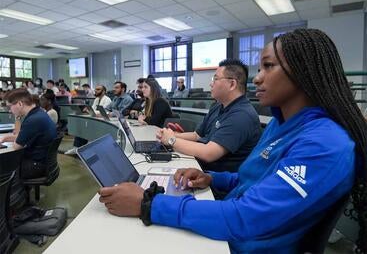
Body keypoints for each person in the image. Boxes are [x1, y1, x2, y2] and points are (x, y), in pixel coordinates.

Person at [98, 29, 367, 253]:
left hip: (243, 243)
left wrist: (149, 203)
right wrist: (213, 179)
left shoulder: (325, 144)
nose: (258, 77)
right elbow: (253, 180)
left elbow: (248, 218)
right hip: (233, 229)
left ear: (304, 71)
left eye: (269, 66)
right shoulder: (280, 123)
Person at [157, 59, 261, 173]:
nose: (211, 83)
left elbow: (209, 153)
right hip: (200, 169)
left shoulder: (242, 116)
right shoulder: (218, 106)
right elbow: (197, 135)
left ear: (232, 84)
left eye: (215, 79)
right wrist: (171, 136)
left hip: (215, 183)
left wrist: (172, 140)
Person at [0, 88, 57, 179]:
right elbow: (21, 136)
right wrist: (4, 138)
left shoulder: (33, 120)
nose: (10, 110)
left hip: (36, 165)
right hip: (43, 161)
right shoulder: (38, 113)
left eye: (9, 106)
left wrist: (17, 118)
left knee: (4, 164)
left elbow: (16, 146)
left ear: (20, 104)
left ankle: (13, 192)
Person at [65, 85, 111, 155]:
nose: (96, 91)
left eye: (98, 89)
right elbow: (92, 110)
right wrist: (87, 110)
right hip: (95, 119)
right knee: (82, 127)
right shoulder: (96, 99)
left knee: (87, 129)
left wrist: (90, 111)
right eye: (95, 89)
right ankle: (76, 147)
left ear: (103, 91)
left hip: (102, 122)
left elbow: (103, 112)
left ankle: (86, 148)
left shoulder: (107, 99)